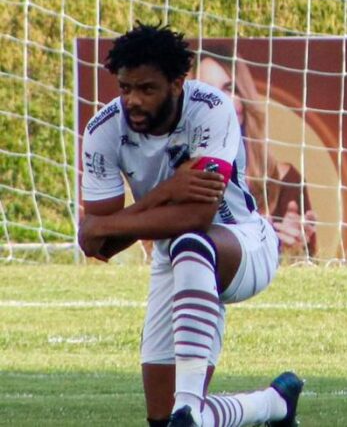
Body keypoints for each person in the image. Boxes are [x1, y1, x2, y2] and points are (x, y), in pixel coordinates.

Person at [77, 24, 304, 426]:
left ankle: (189, 405)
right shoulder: (103, 130)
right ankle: (272, 405)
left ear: (178, 83)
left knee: (191, 243)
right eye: (125, 88)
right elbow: (100, 244)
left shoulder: (211, 109)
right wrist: (165, 191)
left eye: (147, 89)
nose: (133, 100)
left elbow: (197, 217)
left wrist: (112, 224)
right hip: (171, 258)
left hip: (243, 242)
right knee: (163, 421)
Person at [195, 47, 317, 259]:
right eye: (207, 90)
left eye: (229, 88)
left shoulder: (285, 180)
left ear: (244, 97)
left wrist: (295, 249)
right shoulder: (175, 175)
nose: (219, 102)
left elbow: (308, 268)